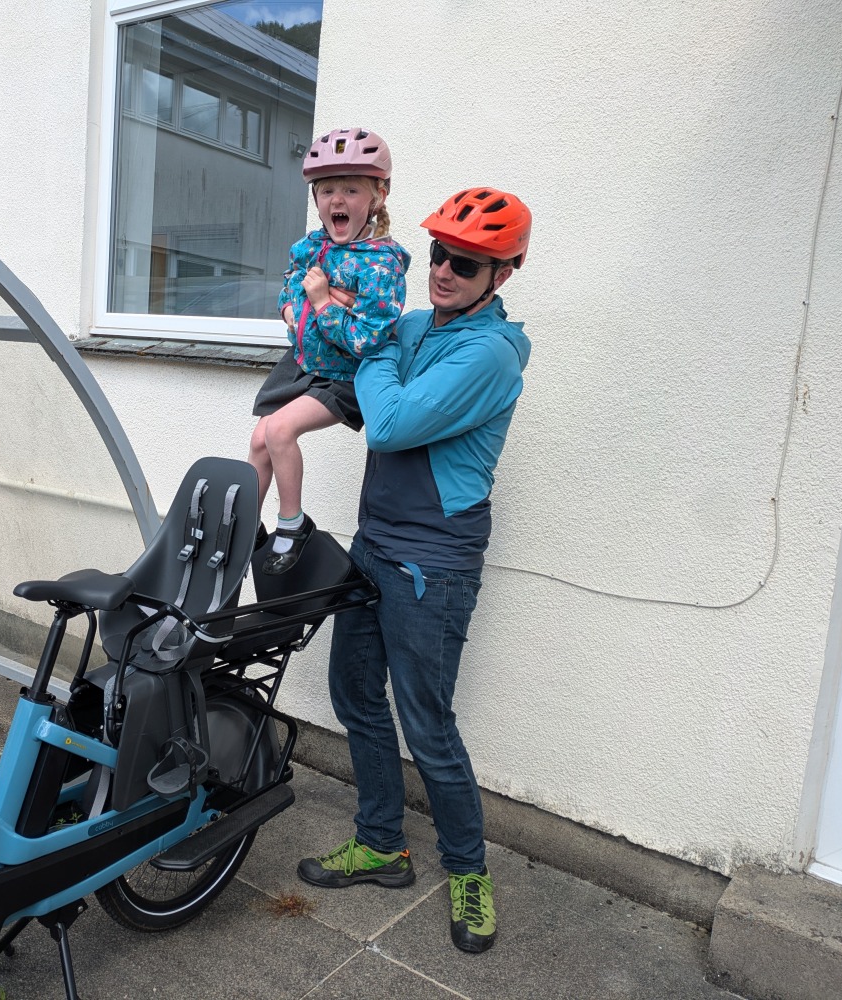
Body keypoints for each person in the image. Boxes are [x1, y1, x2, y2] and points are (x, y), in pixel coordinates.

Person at [296, 186, 533, 955]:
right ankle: (381, 845)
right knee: (356, 694)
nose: (442, 270)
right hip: (374, 543)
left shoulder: (488, 353)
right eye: (436, 252)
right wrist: (323, 299)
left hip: (433, 564)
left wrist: (373, 350)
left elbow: (390, 421)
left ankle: (468, 872)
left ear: (503, 274)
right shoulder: (416, 326)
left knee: (428, 726)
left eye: (465, 262)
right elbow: (343, 349)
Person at [249, 127, 409, 574]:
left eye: (351, 190)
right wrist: (290, 308)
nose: (337, 200)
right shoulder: (313, 245)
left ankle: (292, 525)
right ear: (316, 198)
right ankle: (243, 529)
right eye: (327, 190)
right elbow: (289, 280)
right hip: (302, 363)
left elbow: (369, 339)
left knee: (280, 431)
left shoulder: (381, 262)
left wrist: (321, 305)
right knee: (260, 440)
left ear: (378, 195)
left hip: (343, 378)